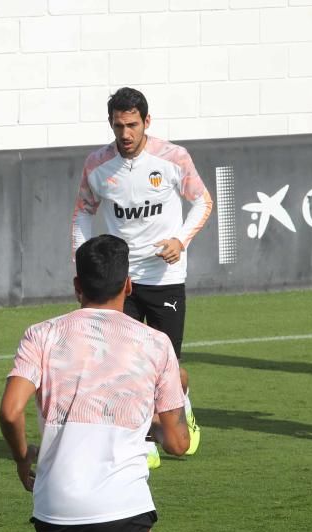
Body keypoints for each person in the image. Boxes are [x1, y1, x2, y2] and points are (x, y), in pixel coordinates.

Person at [0, 234, 190, 532]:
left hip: (57, 506)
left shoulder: (42, 334)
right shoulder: (156, 344)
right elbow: (177, 443)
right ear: (129, 286)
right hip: (123, 506)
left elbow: (10, 410)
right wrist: (177, 404)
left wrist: (21, 457)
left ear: (77, 286)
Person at [71, 86, 210, 468]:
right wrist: (85, 262)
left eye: (132, 125)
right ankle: (143, 439)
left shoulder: (173, 158)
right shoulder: (97, 165)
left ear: (147, 122)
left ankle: (183, 402)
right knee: (123, 363)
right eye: (118, 126)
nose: (125, 134)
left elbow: (202, 200)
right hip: (122, 279)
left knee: (169, 367)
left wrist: (180, 240)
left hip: (165, 275)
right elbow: (83, 212)